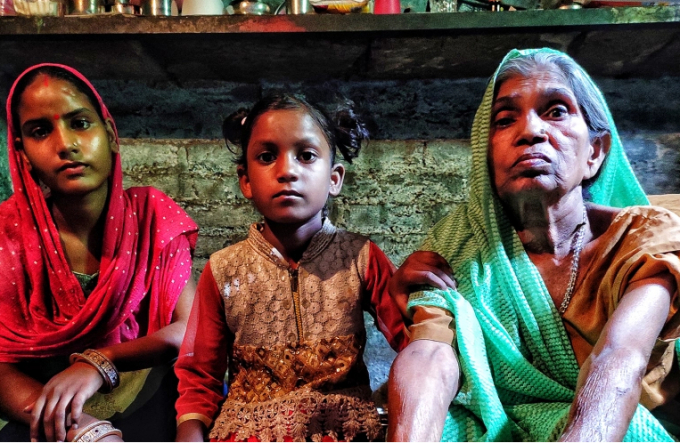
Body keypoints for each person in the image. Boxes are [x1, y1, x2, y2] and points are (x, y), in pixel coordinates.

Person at [387, 48, 680, 442]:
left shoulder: (644, 240)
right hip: (497, 425)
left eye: (556, 111)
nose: (530, 131)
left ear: (595, 152)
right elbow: (431, 354)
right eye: (505, 119)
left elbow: (619, 358)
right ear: (486, 158)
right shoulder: (457, 245)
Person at [174, 93, 409, 442]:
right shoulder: (223, 270)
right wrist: (189, 433)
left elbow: (412, 341)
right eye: (267, 157)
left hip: (345, 431)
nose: (287, 171)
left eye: (306, 155)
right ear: (246, 180)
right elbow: (200, 376)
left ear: (334, 178)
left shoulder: (361, 256)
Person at [0, 64, 198, 442]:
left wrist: (99, 363)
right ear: (22, 153)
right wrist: (84, 429)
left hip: (140, 388)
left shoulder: (152, 217)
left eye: (79, 123)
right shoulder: (8, 233)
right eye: (41, 131)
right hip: (41, 403)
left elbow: (191, 328)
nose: (66, 144)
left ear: (110, 135)